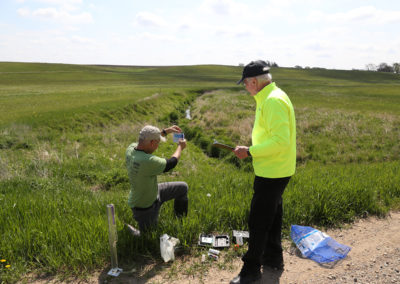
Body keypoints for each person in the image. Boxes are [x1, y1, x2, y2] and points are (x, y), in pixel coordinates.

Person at [230, 60, 296, 284]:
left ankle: (250, 271)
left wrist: (250, 151)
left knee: (258, 220)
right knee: (273, 216)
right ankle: (273, 259)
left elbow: (280, 141)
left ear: (255, 81)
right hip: (276, 168)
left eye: (245, 84)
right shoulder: (271, 96)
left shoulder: (272, 101)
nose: (245, 88)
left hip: (272, 171)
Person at [126, 125, 188, 233]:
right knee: (148, 236)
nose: (158, 146)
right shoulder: (148, 161)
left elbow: (149, 138)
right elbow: (171, 163)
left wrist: (166, 131)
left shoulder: (131, 148)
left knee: (183, 188)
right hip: (145, 206)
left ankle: (179, 222)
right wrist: (180, 147)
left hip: (153, 191)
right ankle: (134, 230)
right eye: (158, 143)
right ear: (151, 143)